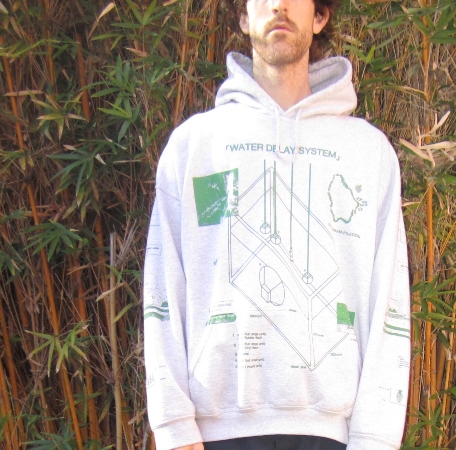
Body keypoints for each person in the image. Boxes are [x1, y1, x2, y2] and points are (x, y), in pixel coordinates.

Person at [142, 0, 411, 448]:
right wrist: (173, 426)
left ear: (320, 16)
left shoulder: (367, 152)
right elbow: (162, 288)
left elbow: (388, 300)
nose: (279, 5)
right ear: (243, 16)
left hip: (331, 434)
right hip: (214, 433)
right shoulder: (197, 145)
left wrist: (376, 438)